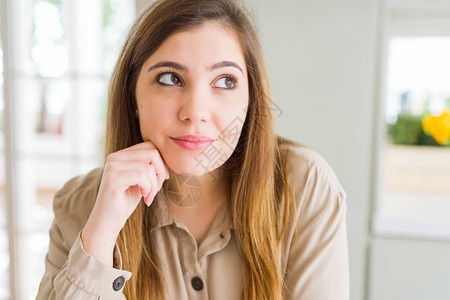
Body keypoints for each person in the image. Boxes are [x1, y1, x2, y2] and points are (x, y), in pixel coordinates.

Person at [36, 0, 349, 299]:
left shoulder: (305, 186)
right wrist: (100, 240)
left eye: (225, 81)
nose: (196, 111)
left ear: (250, 100)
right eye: (170, 78)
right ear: (132, 95)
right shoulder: (80, 206)